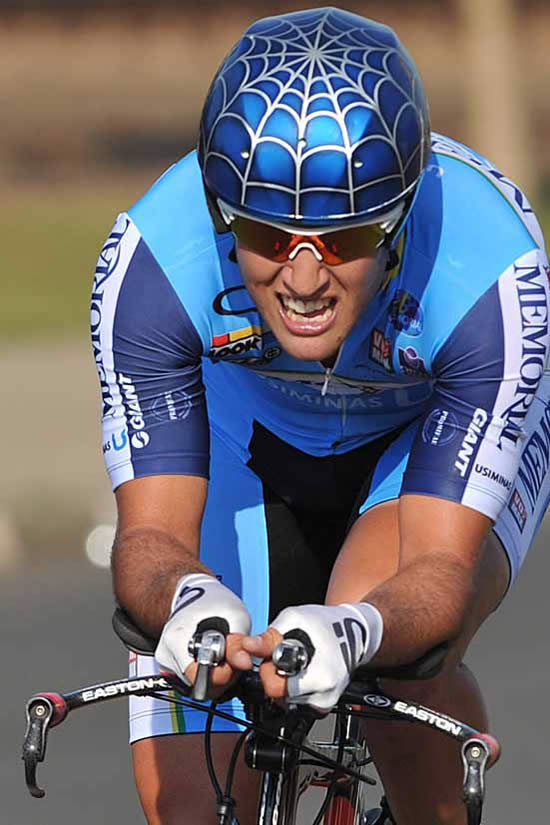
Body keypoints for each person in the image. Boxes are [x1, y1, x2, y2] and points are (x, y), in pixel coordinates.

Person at [91, 7, 550, 825]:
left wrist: (362, 630)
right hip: (247, 423)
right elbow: (150, 538)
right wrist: (186, 595)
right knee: (190, 800)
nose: (303, 280)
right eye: (268, 235)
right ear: (222, 211)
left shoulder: (492, 277)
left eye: (342, 240)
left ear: (398, 217)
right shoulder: (153, 263)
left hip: (422, 435)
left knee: (397, 666)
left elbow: (439, 569)